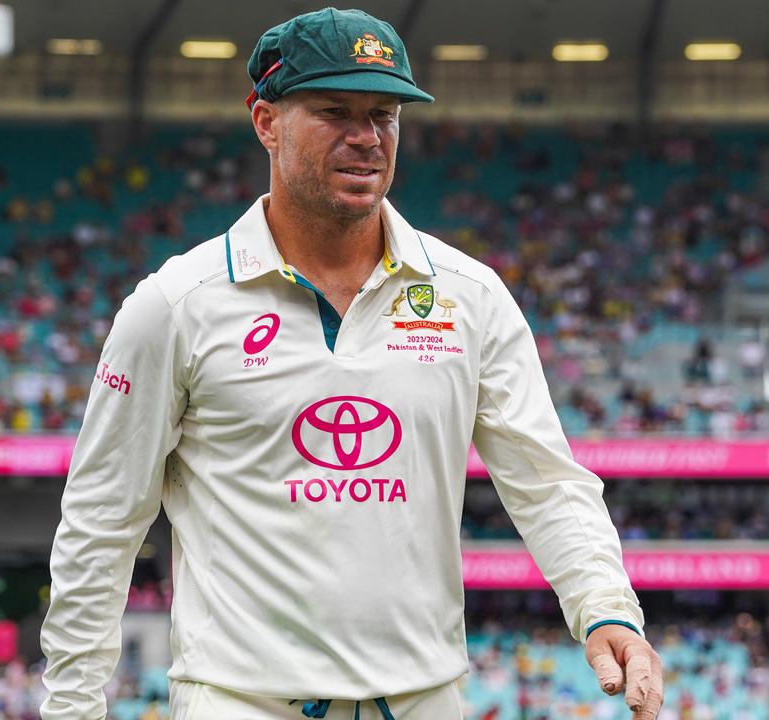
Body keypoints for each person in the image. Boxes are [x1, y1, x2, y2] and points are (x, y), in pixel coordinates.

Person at [40, 8, 662, 720]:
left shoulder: (470, 296)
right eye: (335, 110)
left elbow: (547, 483)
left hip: (426, 701)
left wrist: (606, 609)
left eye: (385, 113)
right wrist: (73, 709)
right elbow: (100, 524)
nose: (367, 137)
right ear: (266, 122)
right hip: (243, 703)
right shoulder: (176, 306)